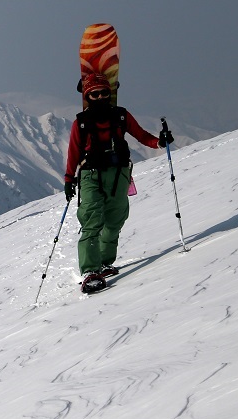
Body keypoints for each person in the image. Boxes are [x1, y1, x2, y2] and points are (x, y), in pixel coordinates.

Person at [64, 72, 172, 293]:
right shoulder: (81, 123)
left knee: (115, 218)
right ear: (87, 96)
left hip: (119, 174)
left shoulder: (121, 116)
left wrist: (159, 142)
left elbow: (141, 136)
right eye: (95, 94)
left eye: (105, 93)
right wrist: (68, 179)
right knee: (92, 219)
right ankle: (90, 270)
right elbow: (73, 152)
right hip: (91, 175)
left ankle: (104, 262)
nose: (101, 97)